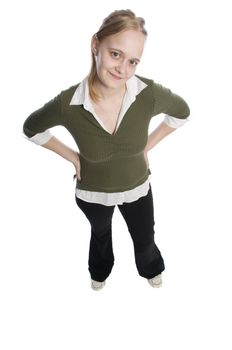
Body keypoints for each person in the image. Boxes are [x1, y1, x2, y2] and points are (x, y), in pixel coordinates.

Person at [23, 9, 190, 291]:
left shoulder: (147, 94)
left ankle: (150, 268)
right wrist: (74, 158)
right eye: (115, 54)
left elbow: (182, 113)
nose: (122, 68)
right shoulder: (69, 104)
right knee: (100, 233)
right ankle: (100, 271)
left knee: (144, 237)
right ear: (95, 45)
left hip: (137, 187)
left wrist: (146, 147)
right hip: (92, 192)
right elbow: (31, 128)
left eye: (133, 61)